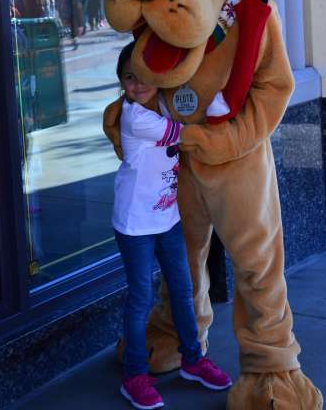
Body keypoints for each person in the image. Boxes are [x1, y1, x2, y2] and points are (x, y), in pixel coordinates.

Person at [110, 41, 232, 410]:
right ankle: (134, 376)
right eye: (129, 77)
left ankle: (193, 359)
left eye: (144, 76)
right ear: (121, 82)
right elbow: (186, 131)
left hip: (166, 218)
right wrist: (214, 108)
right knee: (141, 298)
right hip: (135, 224)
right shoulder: (136, 117)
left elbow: (183, 108)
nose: (138, 84)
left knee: (182, 289)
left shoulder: (160, 105)